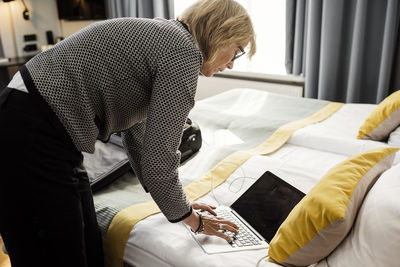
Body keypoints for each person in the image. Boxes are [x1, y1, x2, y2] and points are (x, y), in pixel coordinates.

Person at [0, 0, 256, 266]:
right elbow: (160, 159)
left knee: (88, 242)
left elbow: (140, 141)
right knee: (56, 253)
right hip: (32, 126)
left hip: (41, 126)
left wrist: (181, 206)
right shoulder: (183, 51)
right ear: (222, 33)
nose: (231, 65)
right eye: (237, 52)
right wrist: (194, 220)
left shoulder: (166, 40)